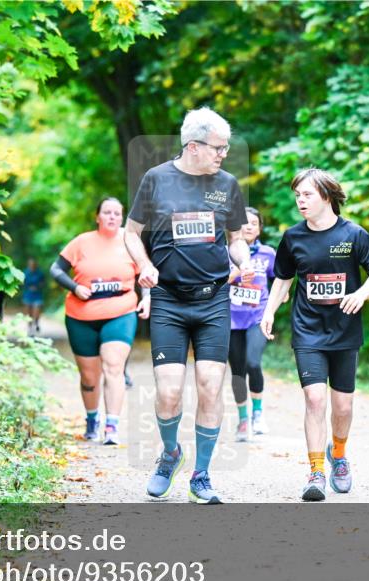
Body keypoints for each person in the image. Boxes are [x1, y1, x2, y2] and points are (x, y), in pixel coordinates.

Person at [125, 107, 254, 504]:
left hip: (213, 298)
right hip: (168, 301)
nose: (224, 154)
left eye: (227, 148)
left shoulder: (227, 184)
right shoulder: (156, 179)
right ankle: (171, 454)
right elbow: (132, 234)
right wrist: (144, 266)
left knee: (211, 386)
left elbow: (235, 237)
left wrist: (243, 258)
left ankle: (201, 475)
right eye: (218, 147)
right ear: (193, 147)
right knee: (167, 393)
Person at [261, 168, 369, 502]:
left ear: (326, 197)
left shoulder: (354, 235)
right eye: (298, 195)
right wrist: (269, 310)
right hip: (308, 330)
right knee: (315, 399)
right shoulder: (292, 237)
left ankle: (339, 455)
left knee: (342, 407)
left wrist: (360, 295)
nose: (300, 201)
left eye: (307, 195)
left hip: (345, 331)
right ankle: (316, 471)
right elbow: (283, 278)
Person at [51, 198, 150, 444]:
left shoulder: (130, 241)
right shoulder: (81, 242)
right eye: (107, 212)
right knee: (89, 377)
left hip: (121, 311)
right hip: (81, 315)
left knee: (113, 366)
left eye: (117, 213)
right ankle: (92, 419)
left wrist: (146, 298)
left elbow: (146, 272)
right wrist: (74, 287)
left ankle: (112, 427)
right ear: (98, 217)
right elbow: (56, 269)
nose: (112, 217)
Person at [228, 207, 277, 441]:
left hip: (258, 316)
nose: (248, 226)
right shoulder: (225, 252)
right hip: (230, 319)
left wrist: (280, 298)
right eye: (244, 222)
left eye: (254, 223)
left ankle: (258, 415)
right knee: (237, 371)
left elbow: (279, 279)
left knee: (253, 363)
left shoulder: (268, 253)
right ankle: (243, 420)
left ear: (259, 228)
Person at [22, 257, 45, 334]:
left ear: (35, 265)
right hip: (28, 294)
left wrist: (38, 286)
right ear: (28, 265)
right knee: (28, 312)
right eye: (30, 264)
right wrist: (28, 287)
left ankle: (36, 323)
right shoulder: (25, 273)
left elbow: (43, 283)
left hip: (37, 295)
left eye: (33, 265)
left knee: (37, 310)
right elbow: (21, 283)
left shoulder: (40, 273)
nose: (32, 266)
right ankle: (30, 326)